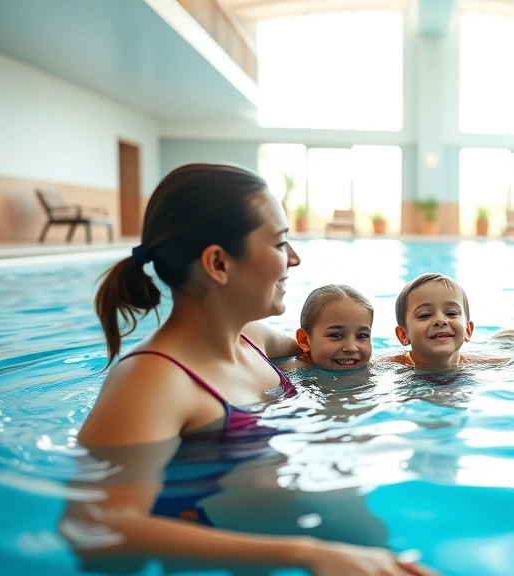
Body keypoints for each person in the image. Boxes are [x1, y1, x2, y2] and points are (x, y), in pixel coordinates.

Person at [62, 163, 434, 576]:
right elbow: (98, 529)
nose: (294, 258)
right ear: (219, 263)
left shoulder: (252, 338)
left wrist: (439, 360)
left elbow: (333, 354)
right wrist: (308, 553)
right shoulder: (153, 382)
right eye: (279, 243)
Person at [391, 273, 475, 371]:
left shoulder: (480, 364)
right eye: (425, 315)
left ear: (468, 330)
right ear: (404, 335)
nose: (440, 320)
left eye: (451, 313)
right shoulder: (391, 367)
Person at [295, 284, 374, 371]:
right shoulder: (292, 372)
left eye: (362, 336)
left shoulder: (376, 367)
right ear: (305, 340)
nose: (351, 348)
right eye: (336, 335)